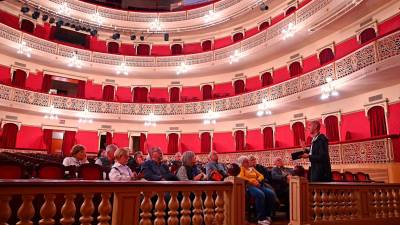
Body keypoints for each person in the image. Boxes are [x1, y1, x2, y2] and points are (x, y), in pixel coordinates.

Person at [238, 156, 275, 225]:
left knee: (271, 194)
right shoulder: (241, 169)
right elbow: (241, 177)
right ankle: (261, 219)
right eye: (246, 161)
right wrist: (252, 181)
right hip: (249, 186)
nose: (248, 162)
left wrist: (258, 180)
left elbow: (261, 175)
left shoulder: (252, 169)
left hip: (257, 184)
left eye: (247, 161)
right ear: (242, 163)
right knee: (260, 194)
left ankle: (267, 215)